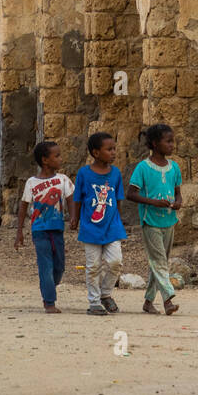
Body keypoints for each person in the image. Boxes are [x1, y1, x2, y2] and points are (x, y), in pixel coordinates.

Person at [127, 123, 183, 315]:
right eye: (168, 141)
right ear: (154, 143)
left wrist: (178, 203)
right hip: (150, 220)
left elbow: (178, 194)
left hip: (169, 221)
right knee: (159, 261)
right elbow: (131, 194)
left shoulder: (174, 167)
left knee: (158, 261)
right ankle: (168, 298)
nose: (171, 145)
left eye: (172, 141)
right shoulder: (143, 167)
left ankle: (148, 301)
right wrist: (152, 202)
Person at [69, 132, 127, 316]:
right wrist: (75, 218)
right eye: (109, 149)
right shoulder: (84, 174)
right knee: (93, 266)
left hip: (112, 226)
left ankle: (106, 294)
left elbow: (118, 199)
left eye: (114, 149)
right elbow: (78, 198)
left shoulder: (116, 173)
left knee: (115, 261)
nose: (113, 153)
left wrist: (117, 219)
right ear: (95, 152)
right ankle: (94, 301)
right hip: (91, 227)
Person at [14, 140, 74, 314]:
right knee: (45, 265)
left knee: (59, 266)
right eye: (57, 155)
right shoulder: (32, 183)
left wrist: (73, 217)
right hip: (39, 230)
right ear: (45, 160)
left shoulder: (63, 180)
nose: (61, 159)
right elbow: (24, 205)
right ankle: (49, 301)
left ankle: (48, 286)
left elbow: (71, 199)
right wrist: (19, 231)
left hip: (57, 229)